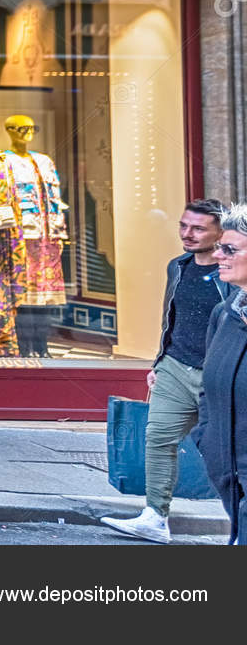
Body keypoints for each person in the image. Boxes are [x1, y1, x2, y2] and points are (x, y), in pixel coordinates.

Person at [101, 198, 230, 544]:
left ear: (220, 232)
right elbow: (170, 318)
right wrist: (160, 361)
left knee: (226, 453)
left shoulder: (231, 273)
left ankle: (238, 526)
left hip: (217, 376)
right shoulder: (178, 266)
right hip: (175, 367)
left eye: (198, 228)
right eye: (184, 226)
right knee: (157, 439)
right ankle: (155, 517)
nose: (187, 234)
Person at [195, 204, 247, 546]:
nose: (218, 256)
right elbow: (207, 387)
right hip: (228, 472)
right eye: (218, 247)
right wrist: (207, 439)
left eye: (229, 249)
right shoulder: (224, 313)